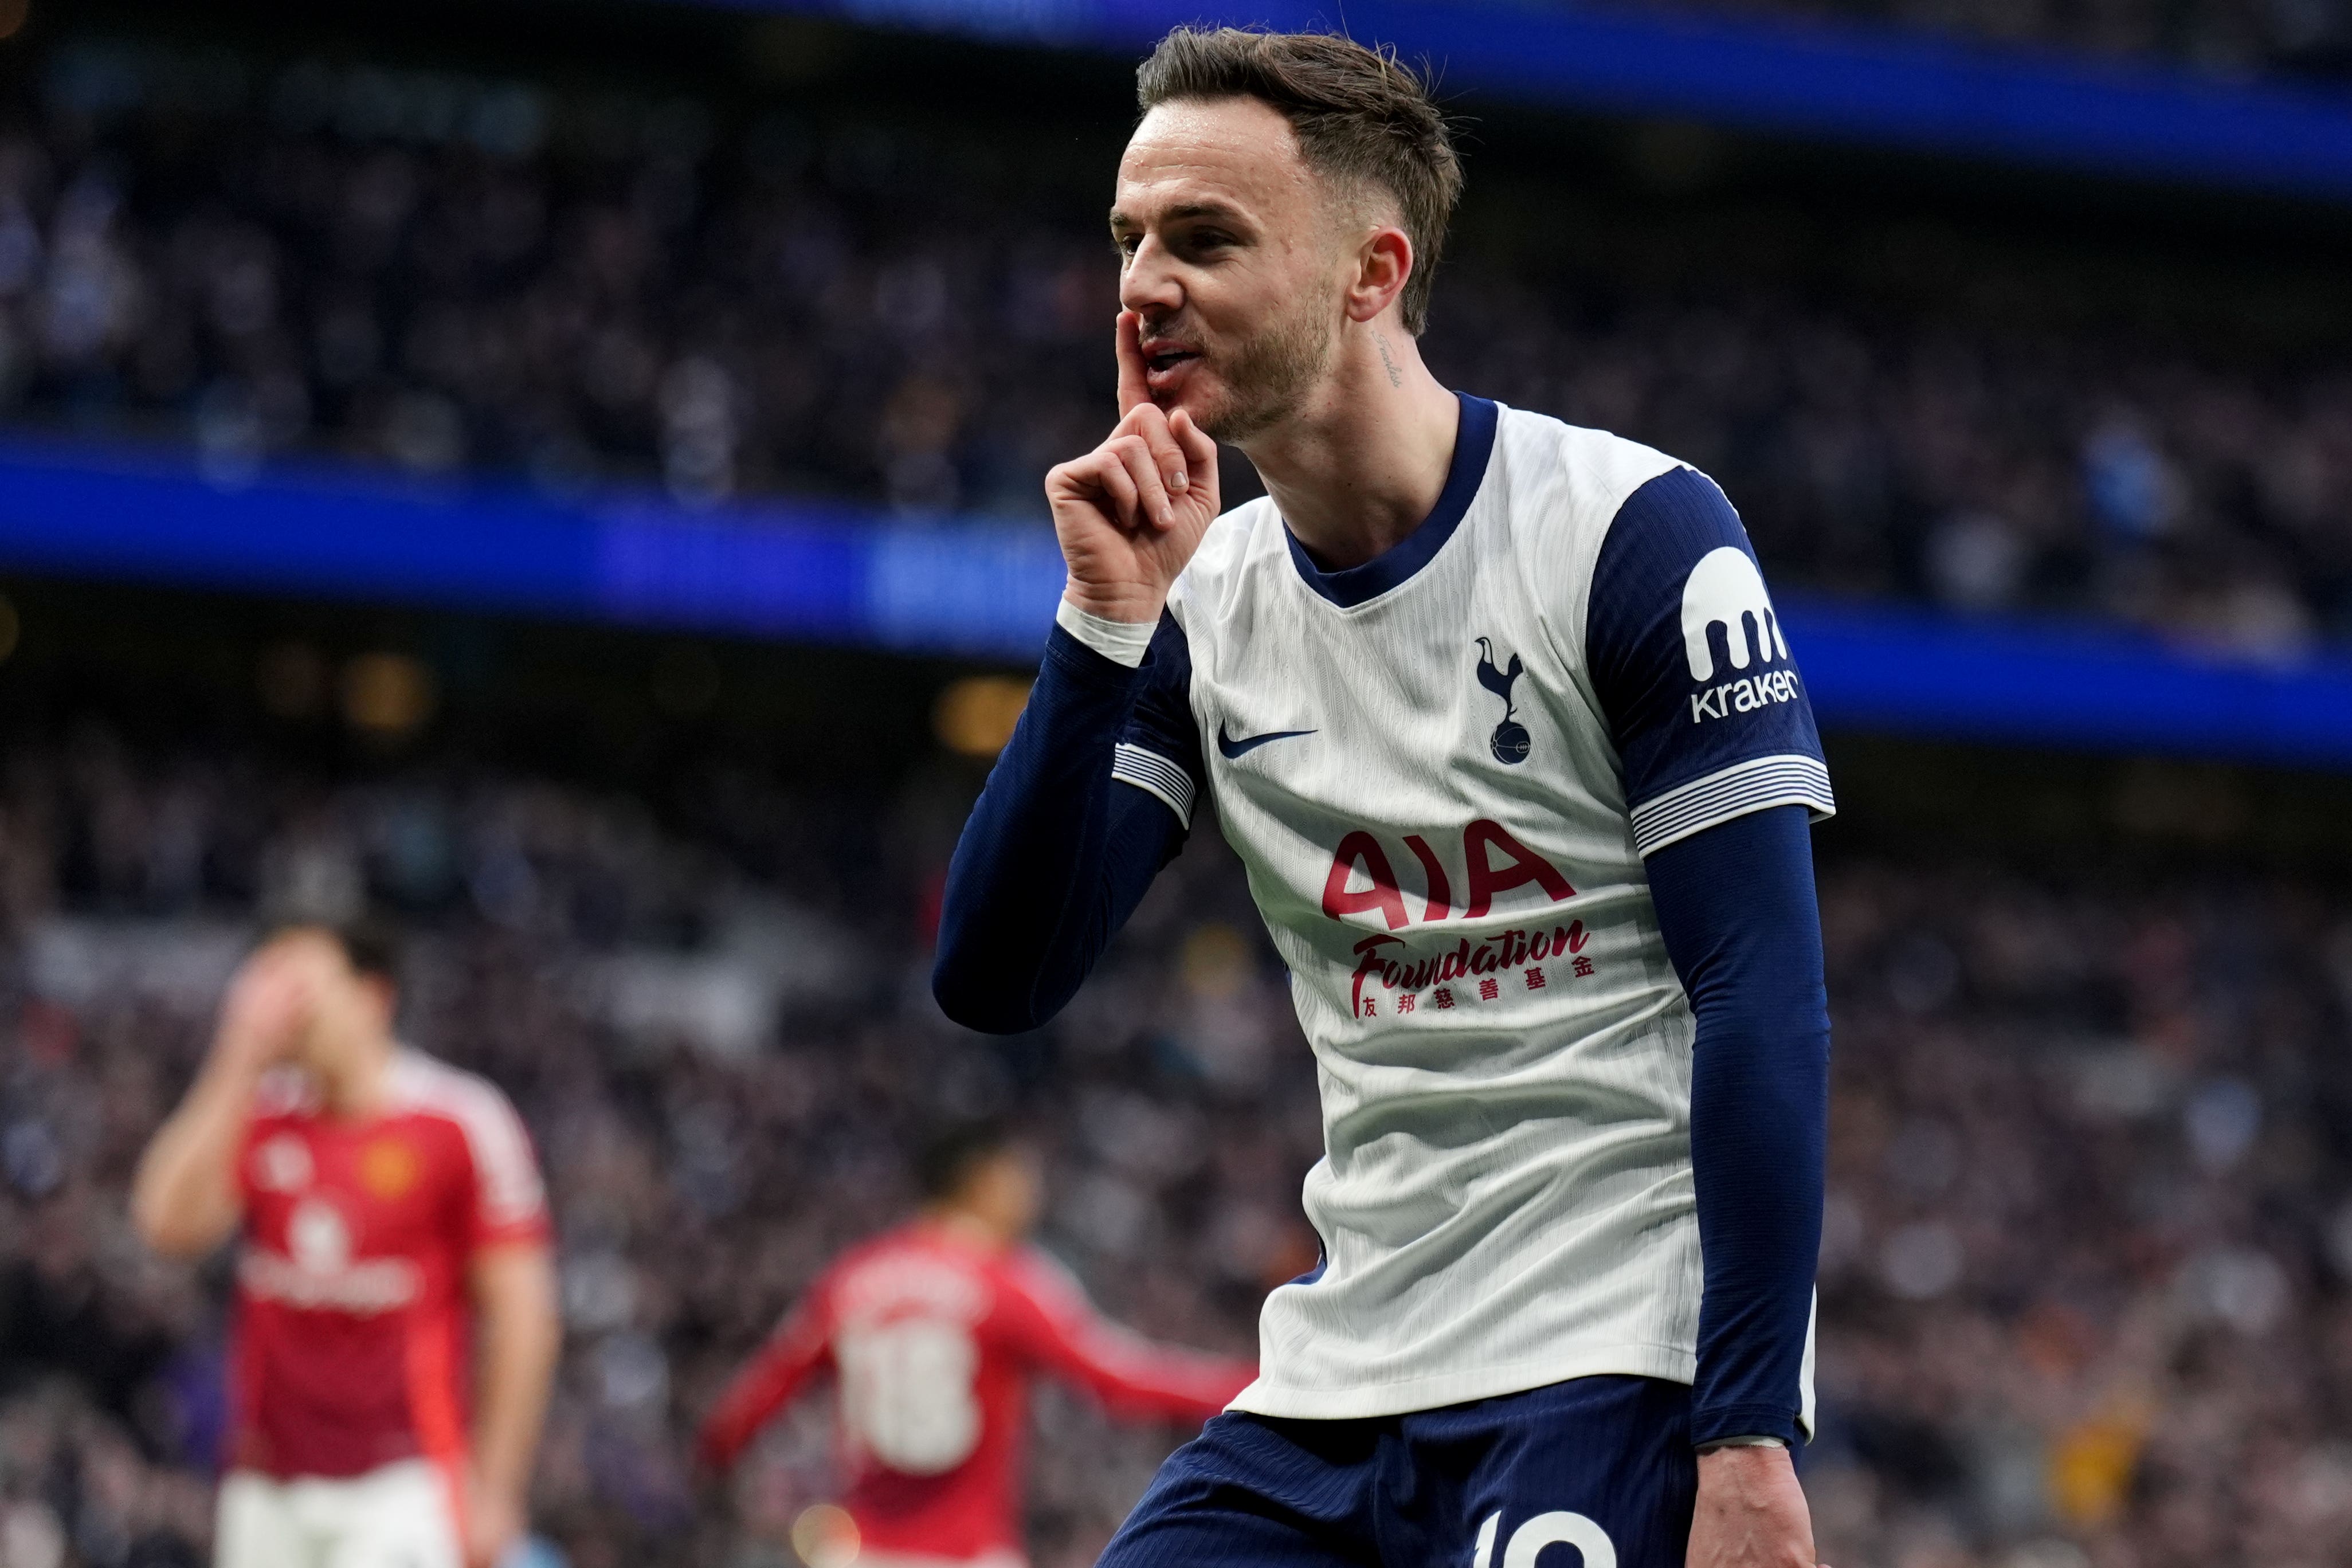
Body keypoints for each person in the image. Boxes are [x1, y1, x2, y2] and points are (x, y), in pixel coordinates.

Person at [930, 27, 1836, 1568]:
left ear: (1371, 272)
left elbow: (1763, 993)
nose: (1143, 286)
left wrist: (1746, 1432)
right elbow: (996, 980)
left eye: (1205, 239)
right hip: (1338, 1378)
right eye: (1130, 239)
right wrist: (1101, 627)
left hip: (1613, 1356)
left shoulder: (1629, 533)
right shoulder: (1199, 603)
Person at [131, 923, 560, 1568]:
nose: (285, 1007)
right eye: (270, 982)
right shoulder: (260, 1111)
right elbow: (165, 1226)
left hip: (404, 1484)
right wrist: (235, 1060)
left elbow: (524, 1318)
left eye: (302, 984)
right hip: (265, 1483)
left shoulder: (458, 1120)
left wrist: (496, 1488)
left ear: (372, 997)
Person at [696, 1122, 1254, 1568]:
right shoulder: (1005, 1283)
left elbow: (747, 1405)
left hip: (862, 1552)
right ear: (981, 1180)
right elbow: (1121, 1380)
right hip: (967, 1553)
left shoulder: (851, 1281)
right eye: (1018, 1175)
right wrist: (1255, 1383)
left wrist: (715, 1474)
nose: (1031, 1192)